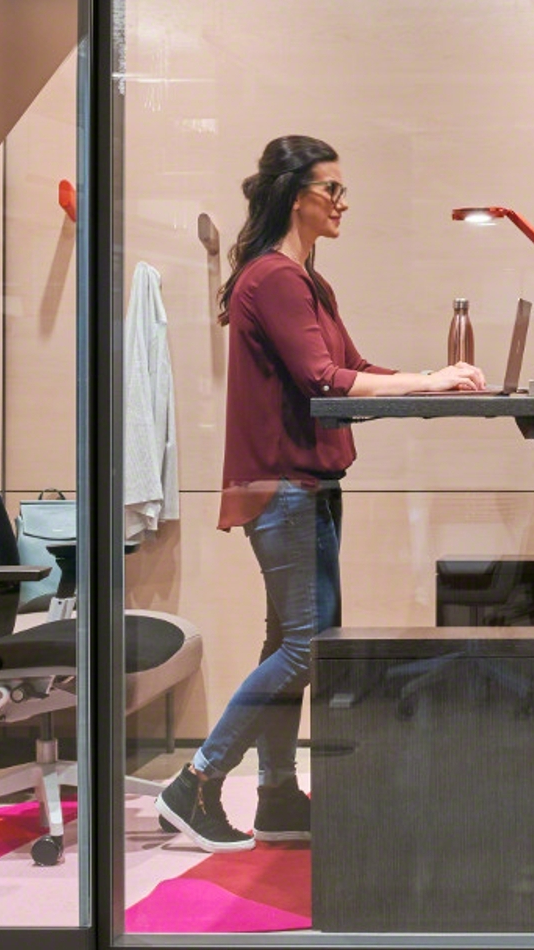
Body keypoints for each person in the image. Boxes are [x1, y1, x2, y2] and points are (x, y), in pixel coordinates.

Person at [158, 135, 486, 851]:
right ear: (294, 194)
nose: (342, 203)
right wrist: (428, 382)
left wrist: (433, 380)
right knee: (306, 648)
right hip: (286, 486)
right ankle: (198, 780)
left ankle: (277, 796)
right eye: (330, 189)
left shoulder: (305, 279)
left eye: (342, 190)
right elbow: (322, 380)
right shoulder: (275, 278)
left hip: (304, 484)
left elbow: (352, 367)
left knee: (289, 641)